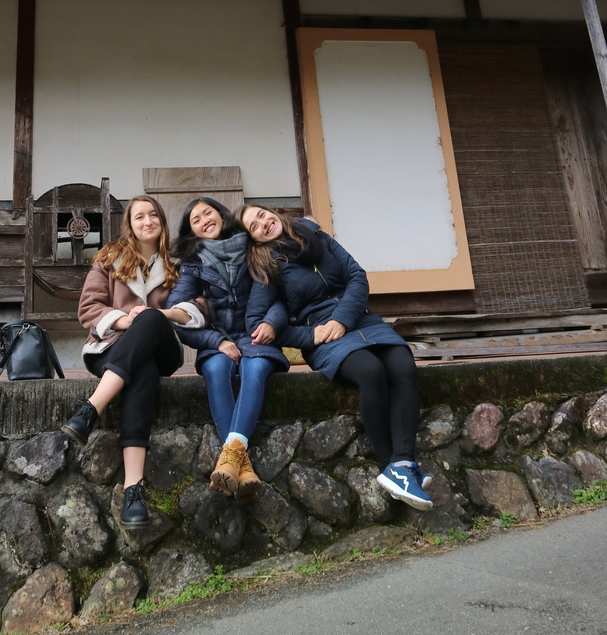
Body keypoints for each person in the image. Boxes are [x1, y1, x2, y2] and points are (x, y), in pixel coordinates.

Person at [239, 206, 433, 512]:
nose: (263, 223)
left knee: (401, 364)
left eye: (263, 215)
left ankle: (403, 463)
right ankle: (389, 464)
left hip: (360, 319)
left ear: (274, 213)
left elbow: (356, 276)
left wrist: (342, 318)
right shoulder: (266, 265)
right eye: (253, 225)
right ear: (253, 239)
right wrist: (309, 337)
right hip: (322, 337)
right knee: (370, 372)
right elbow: (255, 324)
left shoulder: (315, 235)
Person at [62, 196, 204, 526]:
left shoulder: (177, 264)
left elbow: (198, 308)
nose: (147, 221)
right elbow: (89, 309)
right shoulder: (110, 257)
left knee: (152, 320)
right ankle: (133, 490)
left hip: (163, 346)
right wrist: (128, 320)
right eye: (139, 216)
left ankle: (90, 410)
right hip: (111, 346)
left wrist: (154, 314)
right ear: (130, 224)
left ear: (162, 223)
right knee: (143, 372)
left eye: (154, 214)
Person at [167, 197, 288, 502]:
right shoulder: (193, 265)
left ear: (221, 214)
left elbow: (283, 296)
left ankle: (232, 457)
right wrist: (216, 342)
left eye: (208, 212)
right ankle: (243, 469)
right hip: (218, 339)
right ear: (191, 231)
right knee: (218, 370)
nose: (205, 219)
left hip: (256, 336)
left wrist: (273, 322)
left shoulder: (255, 246)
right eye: (196, 220)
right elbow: (177, 314)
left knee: (256, 366)